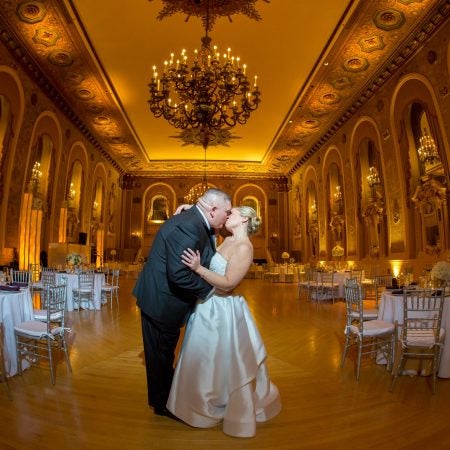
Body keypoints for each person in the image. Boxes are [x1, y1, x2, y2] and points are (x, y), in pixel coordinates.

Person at [167, 206, 281, 438]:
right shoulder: (226, 240)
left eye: (234, 213)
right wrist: (192, 210)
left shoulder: (244, 247)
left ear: (245, 219)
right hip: (207, 306)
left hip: (223, 308)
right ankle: (199, 402)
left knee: (222, 358)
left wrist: (198, 268)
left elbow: (229, 283)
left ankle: (222, 402)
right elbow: (207, 225)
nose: (228, 215)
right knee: (206, 359)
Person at [132, 188, 232, 417]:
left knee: (163, 355)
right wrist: (211, 293)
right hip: (161, 303)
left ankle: (165, 400)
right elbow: (179, 274)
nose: (228, 216)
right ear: (213, 209)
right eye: (226, 212)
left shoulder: (196, 221)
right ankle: (163, 406)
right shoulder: (188, 225)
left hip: (164, 300)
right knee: (160, 357)